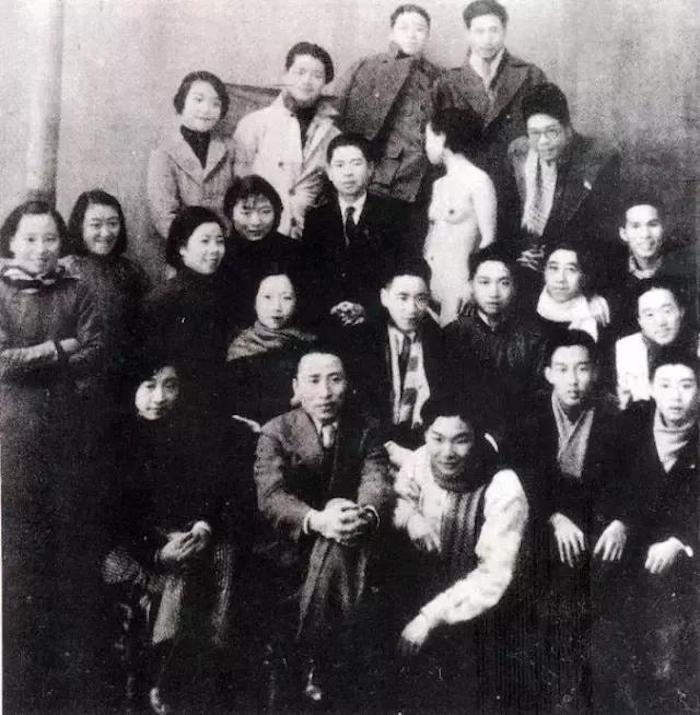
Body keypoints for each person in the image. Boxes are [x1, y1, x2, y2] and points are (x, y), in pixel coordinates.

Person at [0, 201, 103, 711]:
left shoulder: (77, 289)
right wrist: (59, 349)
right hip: (13, 439)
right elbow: (1, 363)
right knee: (19, 564)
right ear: (11, 242)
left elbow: (96, 348)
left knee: (69, 562)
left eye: (51, 239)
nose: (42, 250)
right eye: (31, 239)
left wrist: (41, 358)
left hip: (68, 435)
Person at [253, 347, 392, 707]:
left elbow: (376, 481)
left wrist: (363, 514)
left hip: (352, 536)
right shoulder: (275, 432)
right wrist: (318, 520)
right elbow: (272, 497)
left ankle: (313, 656)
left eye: (335, 380)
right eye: (313, 381)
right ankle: (326, 658)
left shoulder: (366, 428)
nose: (325, 392)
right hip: (291, 544)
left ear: (347, 384)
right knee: (335, 539)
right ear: (296, 387)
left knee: (340, 537)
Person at [102, 357, 241, 713]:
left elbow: (212, 491)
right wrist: (158, 551)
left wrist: (203, 526)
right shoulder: (114, 438)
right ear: (132, 389)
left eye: (170, 386)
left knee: (223, 551)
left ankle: (208, 658)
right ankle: (165, 671)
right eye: (149, 386)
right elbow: (115, 518)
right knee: (185, 567)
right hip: (133, 551)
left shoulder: (192, 432)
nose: (160, 397)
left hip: (184, 536)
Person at [507, 331, 630, 711]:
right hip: (543, 520)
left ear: (596, 372)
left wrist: (620, 521)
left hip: (595, 521)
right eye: (562, 369)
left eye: (582, 368)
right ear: (547, 373)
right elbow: (519, 474)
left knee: (598, 594)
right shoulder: (528, 416)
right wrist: (553, 516)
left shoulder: (613, 417)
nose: (573, 380)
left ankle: (581, 688)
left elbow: (628, 478)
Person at [393, 397, 528, 711]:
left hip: (476, 610)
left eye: (461, 440)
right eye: (437, 438)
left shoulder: (503, 487)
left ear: (477, 439)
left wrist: (428, 619)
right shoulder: (419, 460)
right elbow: (397, 499)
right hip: (422, 588)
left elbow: (493, 577)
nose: (447, 452)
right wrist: (410, 517)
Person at [617, 351, 698, 711]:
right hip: (633, 545)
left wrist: (680, 541)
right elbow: (608, 481)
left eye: (686, 385)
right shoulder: (633, 422)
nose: (675, 396)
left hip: (685, 554)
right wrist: (619, 521)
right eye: (665, 385)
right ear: (651, 388)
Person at [334, 4, 442, 249]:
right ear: (391, 33)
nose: (412, 35)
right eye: (404, 28)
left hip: (420, 180)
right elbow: (341, 118)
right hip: (377, 176)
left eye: (419, 29)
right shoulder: (367, 67)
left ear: (428, 35)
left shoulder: (438, 77)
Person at [500, 82, 620, 284]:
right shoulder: (519, 152)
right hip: (525, 263)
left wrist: (551, 257)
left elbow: (601, 232)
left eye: (552, 132)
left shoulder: (599, 158)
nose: (543, 141)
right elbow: (508, 216)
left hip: (575, 269)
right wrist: (520, 251)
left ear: (567, 129)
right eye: (534, 133)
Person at [233, 42, 339, 238]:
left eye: (317, 76)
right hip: (259, 234)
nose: (307, 81)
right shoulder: (254, 123)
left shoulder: (332, 135)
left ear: (325, 83)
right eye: (300, 72)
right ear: (285, 75)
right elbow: (237, 184)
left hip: (306, 238)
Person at [303, 133, 407, 328]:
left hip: (377, 321)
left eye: (356, 164)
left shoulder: (394, 215)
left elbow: (400, 274)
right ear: (329, 172)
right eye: (339, 165)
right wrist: (331, 309)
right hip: (329, 320)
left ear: (371, 169)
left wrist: (367, 309)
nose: (348, 173)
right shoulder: (316, 218)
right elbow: (310, 277)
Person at [344, 258, 447, 456]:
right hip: (372, 444)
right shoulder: (362, 340)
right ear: (384, 297)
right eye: (402, 298)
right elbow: (359, 409)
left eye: (421, 299)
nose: (412, 309)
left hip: (422, 443)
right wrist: (389, 447)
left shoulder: (439, 341)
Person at [444, 245, 547, 438]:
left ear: (515, 287)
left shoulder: (534, 336)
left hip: (520, 437)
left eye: (504, 283)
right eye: (484, 282)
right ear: (471, 286)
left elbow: (540, 399)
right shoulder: (452, 335)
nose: (494, 292)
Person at [434, 0, 547, 172]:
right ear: (468, 33)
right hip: (466, 179)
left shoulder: (531, 75)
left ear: (504, 31)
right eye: (479, 31)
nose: (487, 39)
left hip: (518, 177)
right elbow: (435, 141)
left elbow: (547, 131)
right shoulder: (447, 83)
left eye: (494, 30)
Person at [143, 206, 231, 420]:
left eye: (219, 241)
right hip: (177, 405)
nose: (214, 249)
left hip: (219, 400)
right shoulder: (164, 298)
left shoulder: (225, 291)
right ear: (182, 247)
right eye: (205, 241)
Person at [64, 189, 150, 405]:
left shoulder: (130, 271)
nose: (106, 232)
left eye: (113, 223)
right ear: (80, 226)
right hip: (73, 384)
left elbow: (147, 326)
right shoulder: (64, 271)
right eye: (96, 225)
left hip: (123, 381)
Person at [422, 107, 497, 325]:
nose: (426, 146)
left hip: (460, 285)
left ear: (442, 137)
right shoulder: (438, 185)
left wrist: (474, 284)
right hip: (430, 283)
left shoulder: (479, 181)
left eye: (428, 139)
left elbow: (489, 240)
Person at [147, 71, 234, 244]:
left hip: (227, 244)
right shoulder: (164, 152)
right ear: (182, 102)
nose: (206, 109)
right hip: (184, 248)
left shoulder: (231, 148)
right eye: (198, 100)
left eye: (215, 103)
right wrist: (195, 247)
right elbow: (163, 215)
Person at [226, 272, 316, 429]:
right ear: (254, 302)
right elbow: (241, 404)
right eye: (267, 297)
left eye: (286, 298)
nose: (277, 307)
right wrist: (291, 402)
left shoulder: (310, 345)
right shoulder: (241, 348)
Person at [220, 175, 304, 327]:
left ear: (276, 212)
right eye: (246, 213)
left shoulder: (294, 251)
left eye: (265, 212)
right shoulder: (220, 253)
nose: (256, 221)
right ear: (230, 213)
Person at [614, 194, 697, 335]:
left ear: (663, 229)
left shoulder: (686, 272)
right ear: (624, 234)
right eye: (635, 226)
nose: (645, 234)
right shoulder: (612, 277)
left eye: (653, 224)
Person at [615, 278, 698, 409]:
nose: (660, 322)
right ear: (640, 321)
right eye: (649, 315)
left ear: (681, 311)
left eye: (667, 311)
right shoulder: (626, 348)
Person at [536, 242, 611, 344]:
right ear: (544, 271)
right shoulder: (528, 307)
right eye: (553, 268)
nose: (560, 279)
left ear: (583, 275)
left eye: (571, 270)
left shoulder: (599, 313)